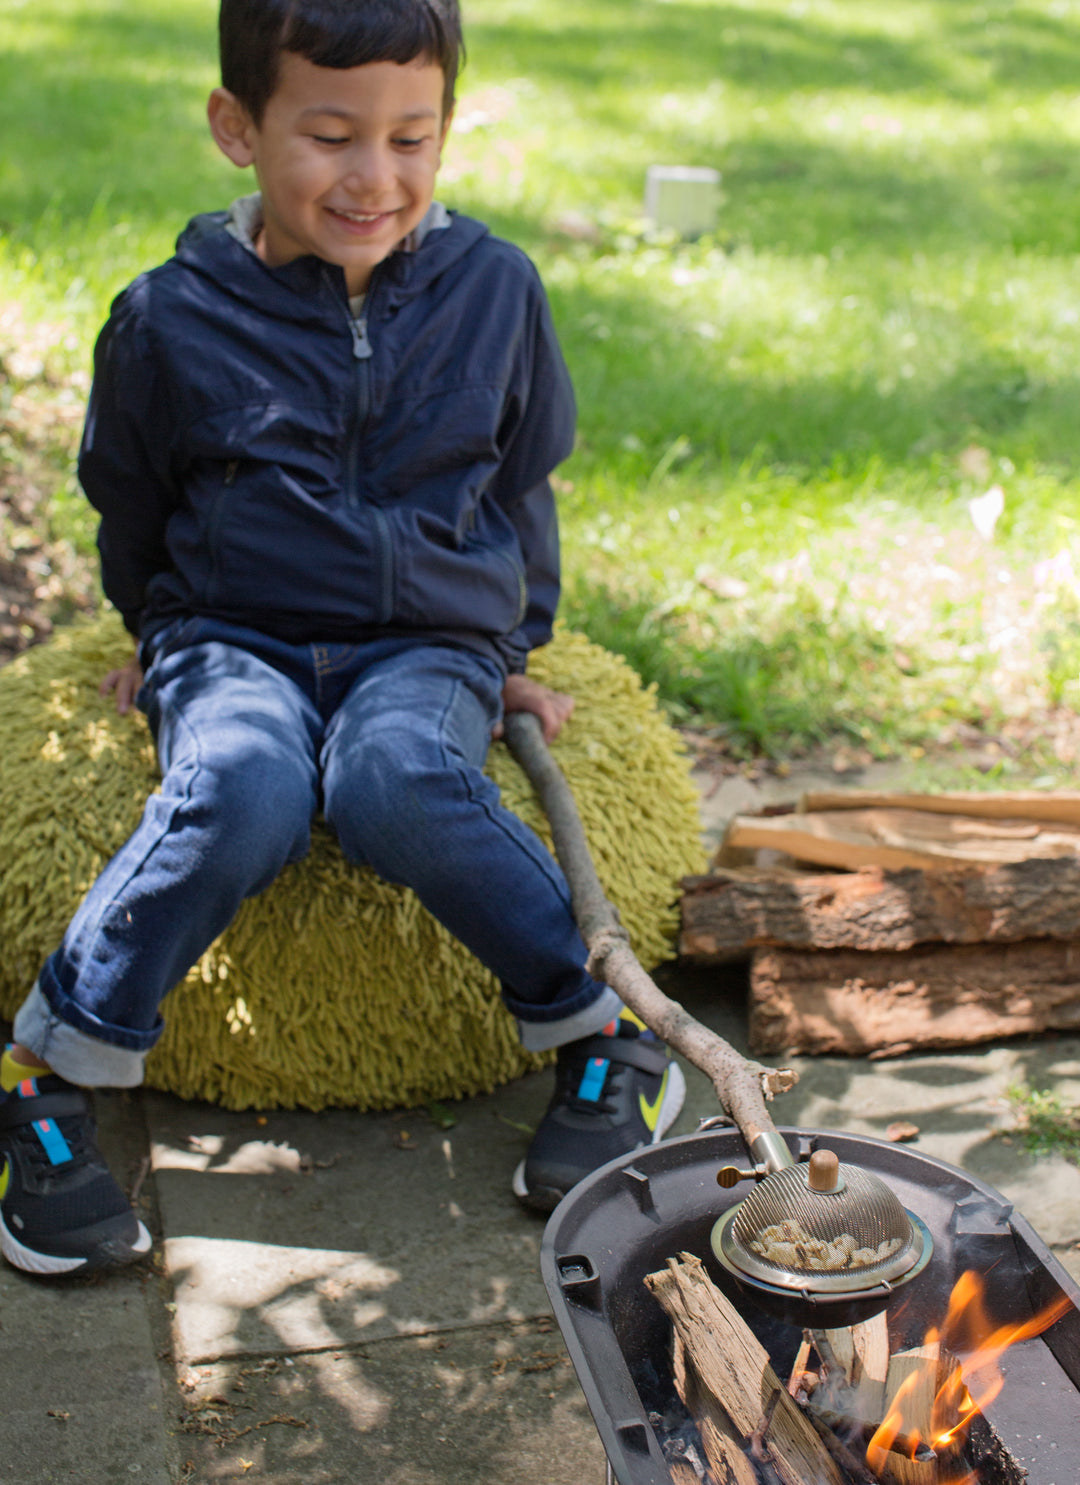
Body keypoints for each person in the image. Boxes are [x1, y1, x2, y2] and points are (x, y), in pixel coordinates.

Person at [0, 0, 685, 1277]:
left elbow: (519, 483)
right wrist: (157, 634)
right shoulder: (167, 317)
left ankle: (602, 1038)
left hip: (425, 642)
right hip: (233, 633)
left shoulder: (495, 291)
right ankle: (43, 1074)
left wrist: (512, 649)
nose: (376, 179)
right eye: (329, 137)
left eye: (412, 139)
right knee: (239, 787)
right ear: (236, 129)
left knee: (396, 781)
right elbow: (131, 496)